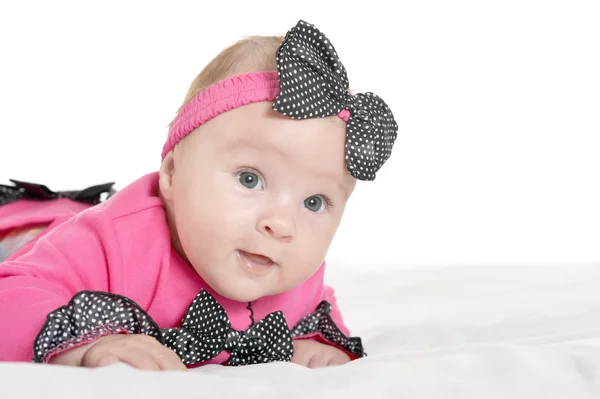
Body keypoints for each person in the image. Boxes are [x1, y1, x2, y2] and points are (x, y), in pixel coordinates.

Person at [0, 20, 398, 371]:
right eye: (249, 179)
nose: (280, 224)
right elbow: (11, 295)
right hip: (30, 236)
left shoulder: (293, 269)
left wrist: (319, 344)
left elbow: (319, 310)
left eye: (314, 202)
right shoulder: (114, 242)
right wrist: (84, 347)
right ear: (172, 173)